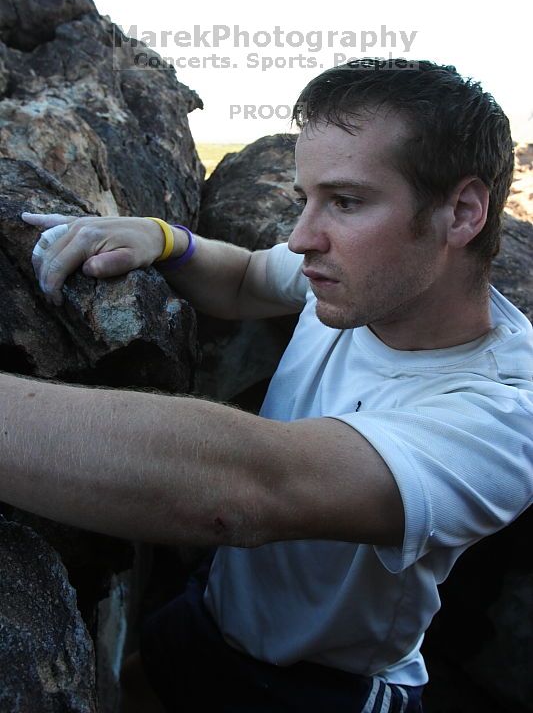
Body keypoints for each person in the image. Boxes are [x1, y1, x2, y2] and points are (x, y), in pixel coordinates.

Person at [3, 58, 532, 713]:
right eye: (300, 199)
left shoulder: (501, 416)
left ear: (461, 212)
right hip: (215, 610)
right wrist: (165, 239)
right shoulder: (355, 280)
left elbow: (250, 490)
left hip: (318, 688)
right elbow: (250, 276)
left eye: (344, 201)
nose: (301, 237)